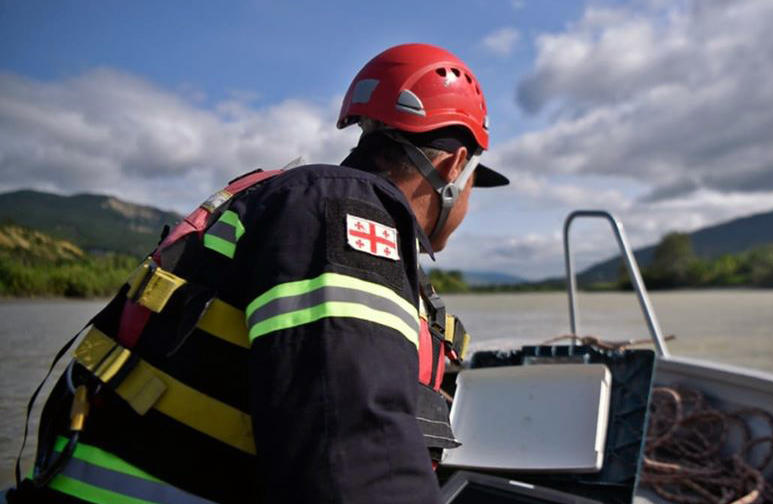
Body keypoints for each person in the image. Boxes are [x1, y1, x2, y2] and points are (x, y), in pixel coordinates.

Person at [7, 43, 507, 503]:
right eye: (473, 185)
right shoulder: (346, 215)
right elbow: (352, 454)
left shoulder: (310, 206)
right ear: (454, 168)